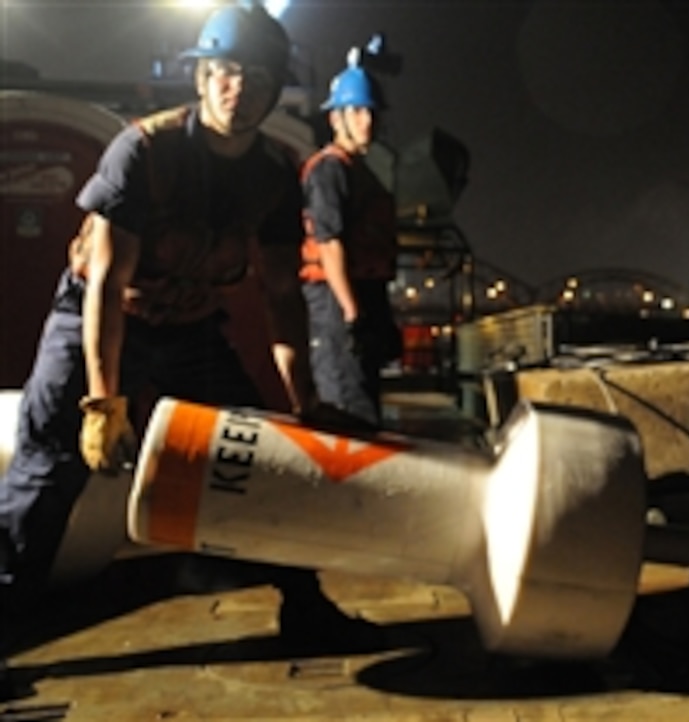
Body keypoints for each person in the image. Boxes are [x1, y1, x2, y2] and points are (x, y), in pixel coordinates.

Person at [0, 1, 381, 689]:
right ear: (202, 77)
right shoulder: (145, 151)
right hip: (99, 319)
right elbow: (107, 286)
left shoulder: (270, 176)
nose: (240, 90)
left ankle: (304, 605)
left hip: (189, 329)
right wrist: (101, 399)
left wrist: (306, 405)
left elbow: (281, 297)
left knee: (258, 454)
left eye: (258, 78)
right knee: (48, 473)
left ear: (274, 90)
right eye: (227, 73)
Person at [299, 47, 401, 427]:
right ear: (336, 118)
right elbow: (330, 243)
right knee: (347, 410)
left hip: (362, 295)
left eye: (372, 112)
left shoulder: (359, 171)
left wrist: (378, 317)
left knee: (364, 404)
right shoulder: (329, 170)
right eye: (357, 111)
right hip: (336, 300)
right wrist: (352, 312)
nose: (367, 121)